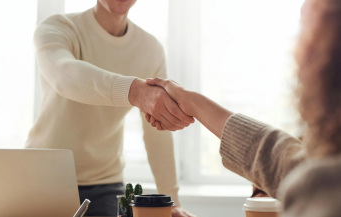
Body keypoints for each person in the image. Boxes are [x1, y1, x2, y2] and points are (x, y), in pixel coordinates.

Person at [144, 0, 341, 216]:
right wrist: (193, 103)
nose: (296, 51)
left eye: (304, 32)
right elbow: (284, 161)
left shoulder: (323, 189)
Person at [26, 0, 195, 216]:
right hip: (41, 177)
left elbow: (157, 134)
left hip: (105, 184)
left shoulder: (150, 49)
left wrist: (172, 201)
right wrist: (135, 92)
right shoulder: (58, 27)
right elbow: (65, 76)